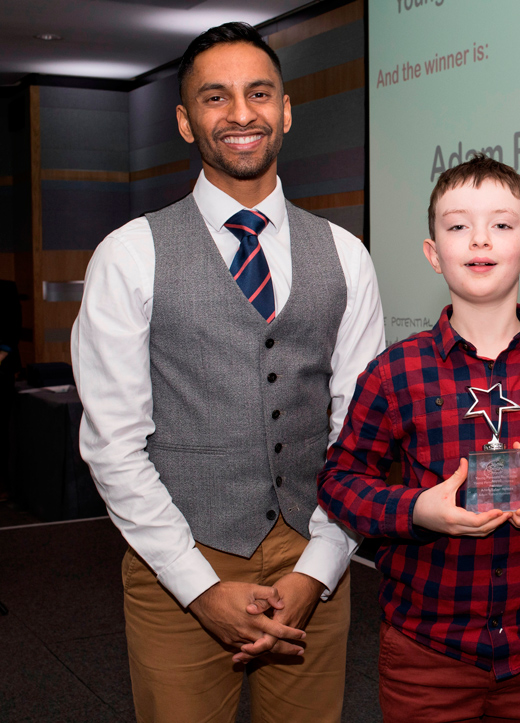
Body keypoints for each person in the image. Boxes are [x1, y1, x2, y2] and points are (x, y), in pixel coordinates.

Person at [71, 22, 384, 723]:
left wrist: (320, 568)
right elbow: (113, 442)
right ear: (186, 122)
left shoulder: (346, 254)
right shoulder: (128, 255)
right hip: (178, 554)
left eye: (259, 93)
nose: (241, 114)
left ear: (287, 110)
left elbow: (358, 431)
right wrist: (196, 584)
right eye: (215, 98)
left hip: (314, 555)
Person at [318, 154, 520, 723]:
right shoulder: (394, 371)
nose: (480, 239)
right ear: (434, 254)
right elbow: (339, 482)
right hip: (427, 652)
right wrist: (415, 510)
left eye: (502, 225)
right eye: (458, 225)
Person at [0, 279, 22, 498]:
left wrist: (2, 353)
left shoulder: (5, 288)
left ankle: (6, 485)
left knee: (3, 428)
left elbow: (13, 324)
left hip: (2, 369)